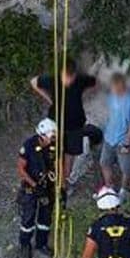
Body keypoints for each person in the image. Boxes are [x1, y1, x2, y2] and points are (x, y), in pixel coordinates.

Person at [30, 58, 98, 196]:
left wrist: (82, 95)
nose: (68, 80)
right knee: (56, 155)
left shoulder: (80, 80)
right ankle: (57, 184)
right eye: (65, 76)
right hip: (57, 125)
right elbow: (34, 82)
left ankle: (63, 183)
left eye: (70, 76)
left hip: (75, 125)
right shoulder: (52, 80)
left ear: (74, 74)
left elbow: (95, 83)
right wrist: (49, 98)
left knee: (69, 157)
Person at [16, 118, 59, 258]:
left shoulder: (54, 146)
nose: (54, 138)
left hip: (48, 187)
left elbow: (59, 166)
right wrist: (35, 185)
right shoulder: (29, 146)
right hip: (31, 187)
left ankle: (41, 243)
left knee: (45, 218)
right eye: (52, 135)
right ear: (43, 135)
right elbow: (21, 169)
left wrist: (61, 187)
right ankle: (25, 244)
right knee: (28, 218)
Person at [99, 73, 130, 197]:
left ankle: (123, 191)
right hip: (109, 137)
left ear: (120, 85)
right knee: (104, 163)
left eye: (114, 87)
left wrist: (127, 143)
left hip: (123, 140)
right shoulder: (111, 96)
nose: (112, 89)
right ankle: (109, 188)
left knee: (126, 168)